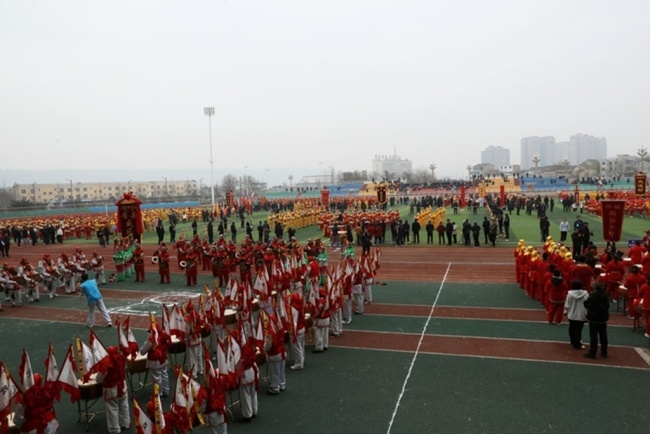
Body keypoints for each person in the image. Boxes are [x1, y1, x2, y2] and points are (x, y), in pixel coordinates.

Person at [95, 346, 131, 434]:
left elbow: (98, 379)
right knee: (124, 406)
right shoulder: (121, 359)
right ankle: (125, 423)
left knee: (112, 409)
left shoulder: (107, 364)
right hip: (123, 386)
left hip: (112, 389)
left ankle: (114, 429)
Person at [139, 322, 171, 396]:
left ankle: (159, 393)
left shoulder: (151, 340)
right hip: (164, 359)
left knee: (157, 378)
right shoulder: (164, 335)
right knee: (164, 375)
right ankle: (166, 390)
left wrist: (146, 341)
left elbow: (142, 351)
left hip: (155, 362)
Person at [584, 283, 610, 359]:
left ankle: (592, 352)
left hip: (594, 318)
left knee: (593, 337)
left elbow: (586, 304)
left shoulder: (593, 296)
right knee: (603, 336)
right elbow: (607, 306)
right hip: (603, 318)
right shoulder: (605, 296)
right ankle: (604, 351)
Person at [564, 280, 589, 349]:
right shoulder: (586, 294)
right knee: (579, 329)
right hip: (581, 314)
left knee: (572, 328)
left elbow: (567, 304)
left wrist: (566, 311)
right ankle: (577, 344)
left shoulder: (569, 294)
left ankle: (572, 341)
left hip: (572, 313)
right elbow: (587, 304)